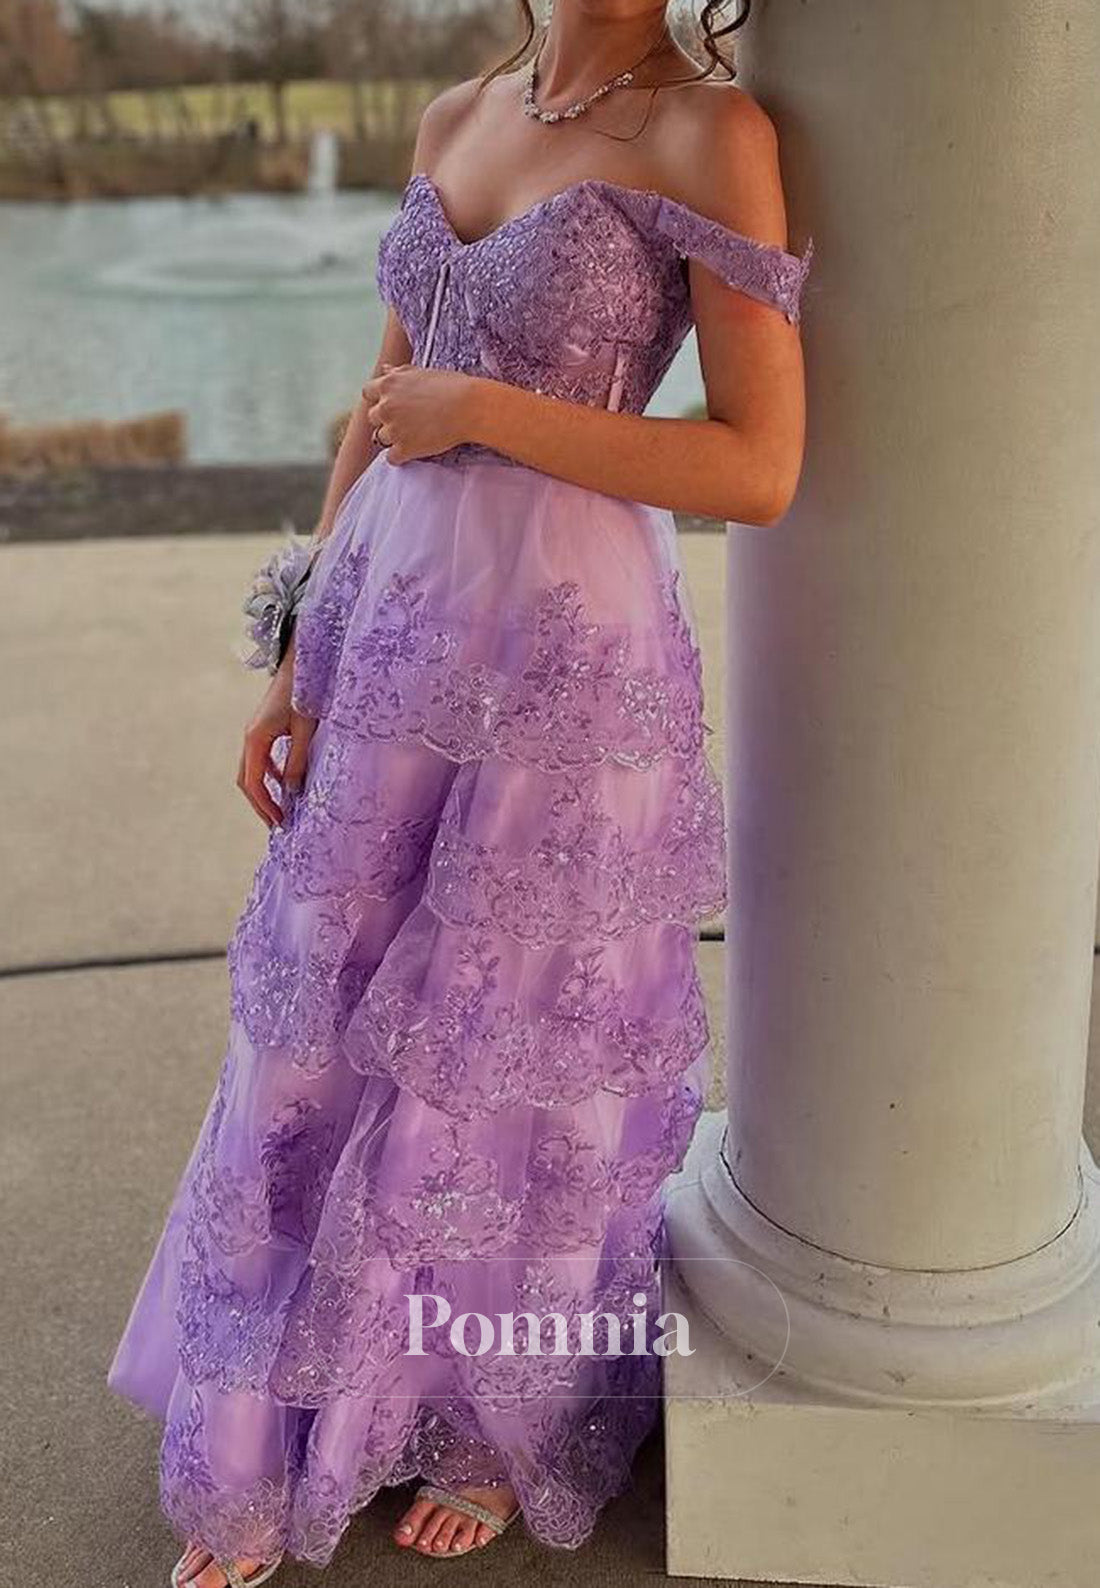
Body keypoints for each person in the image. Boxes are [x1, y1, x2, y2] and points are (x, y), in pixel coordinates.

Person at [107, 2, 813, 1583]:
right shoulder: (453, 116)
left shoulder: (712, 131)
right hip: (387, 626)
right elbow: (380, 402)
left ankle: (484, 1419)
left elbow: (759, 465)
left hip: (563, 645)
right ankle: (282, 1415)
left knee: (512, 1048)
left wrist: (487, 412)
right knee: (319, 1025)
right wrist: (295, 650)